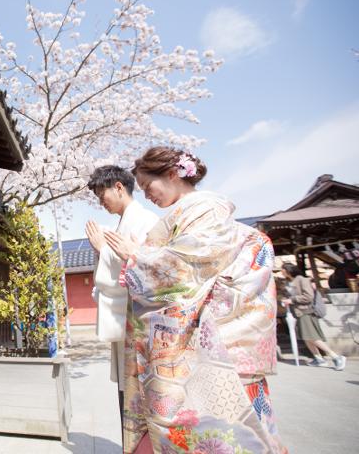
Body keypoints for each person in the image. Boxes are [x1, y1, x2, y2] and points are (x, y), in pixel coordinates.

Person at [103, 147, 287, 454]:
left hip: (213, 344)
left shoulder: (204, 209)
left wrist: (135, 256)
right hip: (204, 340)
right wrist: (143, 258)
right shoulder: (190, 212)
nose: (148, 195)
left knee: (216, 429)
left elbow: (187, 269)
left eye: (149, 186)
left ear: (174, 174)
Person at [84, 165, 158, 431]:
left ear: (118, 187)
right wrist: (103, 253)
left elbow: (150, 270)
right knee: (129, 399)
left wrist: (103, 250)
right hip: (128, 320)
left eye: (101, 194)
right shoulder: (125, 222)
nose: (100, 202)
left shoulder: (145, 221)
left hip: (142, 323)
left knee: (143, 397)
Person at [281, 263, 346, 370]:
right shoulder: (289, 282)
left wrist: (292, 300)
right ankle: (318, 358)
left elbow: (308, 296)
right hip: (298, 313)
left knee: (312, 337)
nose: (282, 272)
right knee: (306, 337)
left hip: (306, 311)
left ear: (288, 270)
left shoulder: (302, 280)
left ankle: (336, 357)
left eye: (283, 270)